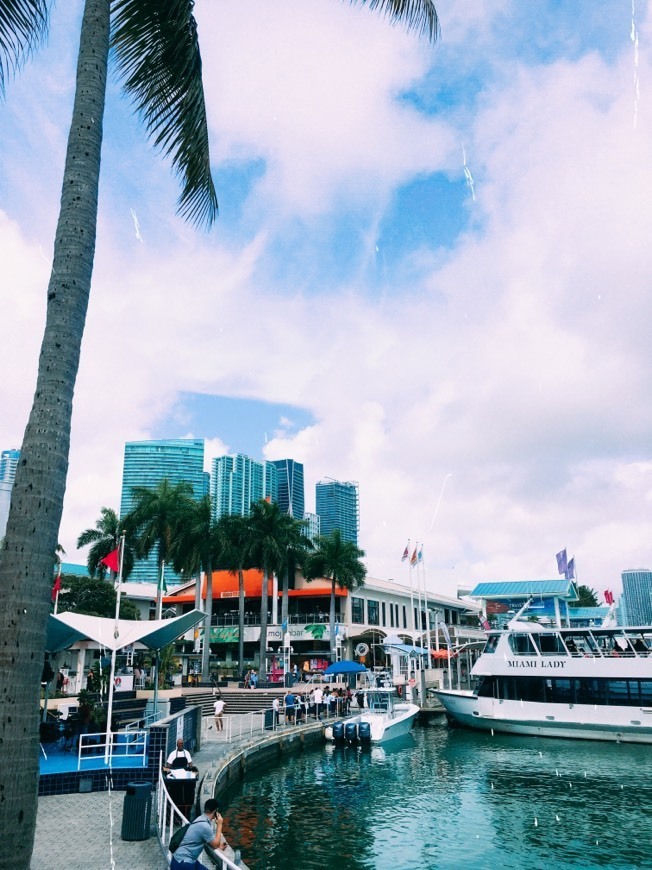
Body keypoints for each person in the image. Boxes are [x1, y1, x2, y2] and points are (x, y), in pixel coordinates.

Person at [170, 798, 225, 870]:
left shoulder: (200, 819)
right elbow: (215, 845)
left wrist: (219, 845)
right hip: (183, 863)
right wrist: (220, 824)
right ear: (215, 811)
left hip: (182, 860)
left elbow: (206, 840)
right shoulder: (205, 826)